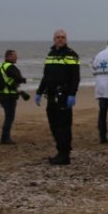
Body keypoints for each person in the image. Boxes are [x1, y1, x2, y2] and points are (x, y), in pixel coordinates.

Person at [35, 30, 80, 166]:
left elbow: (75, 77)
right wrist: (39, 91)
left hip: (64, 95)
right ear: (53, 39)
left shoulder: (71, 54)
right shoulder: (51, 54)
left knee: (64, 126)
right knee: (53, 125)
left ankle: (64, 155)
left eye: (63, 37)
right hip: (51, 95)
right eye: (58, 37)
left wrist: (72, 94)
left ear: (66, 39)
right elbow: (46, 76)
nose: (60, 39)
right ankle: (61, 151)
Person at [0, 49, 27, 145]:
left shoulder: (1, 66)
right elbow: (18, 79)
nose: (16, 57)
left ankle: (5, 137)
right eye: (14, 56)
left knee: (8, 116)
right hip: (9, 96)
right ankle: (5, 138)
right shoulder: (10, 67)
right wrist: (23, 80)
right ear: (8, 57)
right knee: (9, 117)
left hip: (1, 95)